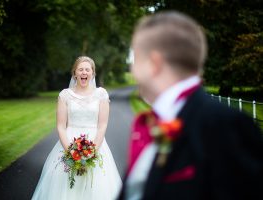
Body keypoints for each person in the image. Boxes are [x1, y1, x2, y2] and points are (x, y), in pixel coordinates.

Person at [118, 11, 263, 200]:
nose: (132, 70)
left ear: (154, 64)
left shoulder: (226, 125)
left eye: (135, 59)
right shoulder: (155, 123)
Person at [32, 56, 122, 200]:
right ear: (75, 73)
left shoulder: (101, 95)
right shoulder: (65, 95)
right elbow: (61, 126)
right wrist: (71, 152)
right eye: (80, 69)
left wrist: (92, 152)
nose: (84, 72)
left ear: (93, 73)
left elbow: (102, 125)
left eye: (87, 69)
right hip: (68, 143)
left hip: (96, 144)